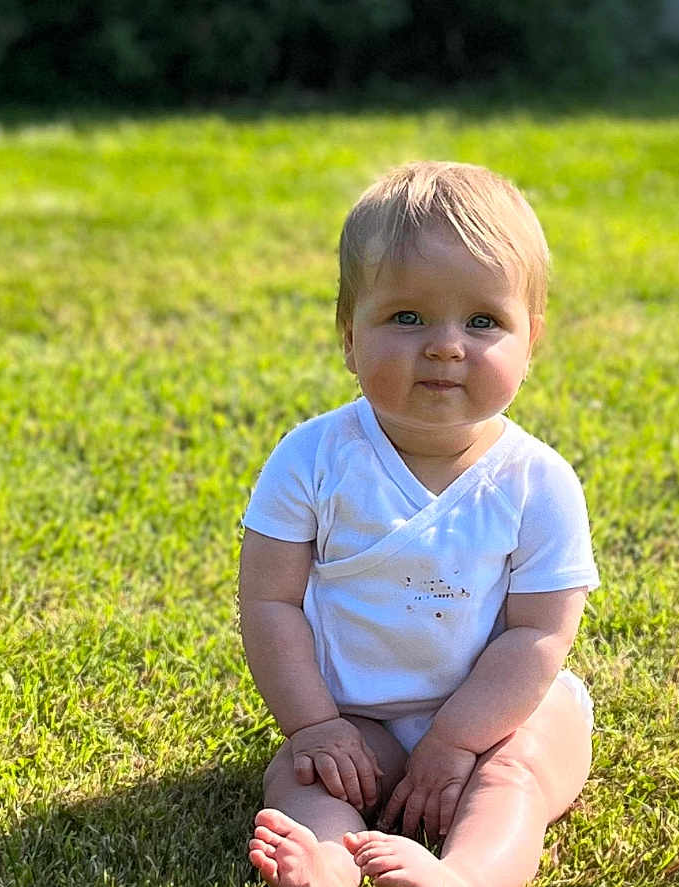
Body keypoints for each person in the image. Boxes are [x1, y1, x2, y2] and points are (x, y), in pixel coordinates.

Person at [239, 161, 599, 887]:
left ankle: (465, 874)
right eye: (406, 317)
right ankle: (330, 866)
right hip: (356, 718)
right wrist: (314, 725)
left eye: (482, 321)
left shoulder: (538, 482)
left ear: (530, 339)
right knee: (306, 781)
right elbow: (269, 600)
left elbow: (538, 633)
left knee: (517, 776)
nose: (444, 344)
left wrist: (456, 739)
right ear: (349, 334)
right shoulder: (311, 459)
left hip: (499, 714)